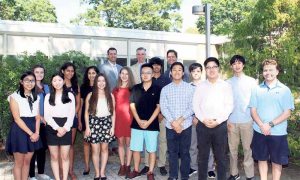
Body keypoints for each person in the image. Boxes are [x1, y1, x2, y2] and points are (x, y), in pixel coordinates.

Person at [249, 59, 294, 180]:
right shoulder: (256, 89)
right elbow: (253, 110)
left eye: (271, 70)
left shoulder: (285, 90)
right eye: (265, 70)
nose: (268, 72)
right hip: (259, 131)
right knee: (261, 159)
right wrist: (262, 126)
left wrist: (269, 125)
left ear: (277, 71)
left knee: (276, 162)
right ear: (262, 72)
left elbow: (287, 113)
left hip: (278, 133)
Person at [193, 57, 233, 180]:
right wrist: (203, 119)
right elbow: (195, 105)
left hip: (219, 126)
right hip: (203, 125)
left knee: (221, 157)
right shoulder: (200, 86)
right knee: (203, 157)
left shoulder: (226, 86)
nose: (211, 69)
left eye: (214, 67)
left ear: (218, 68)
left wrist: (218, 121)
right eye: (208, 67)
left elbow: (229, 106)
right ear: (205, 70)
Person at [160, 62, 194, 180]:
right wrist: (173, 122)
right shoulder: (165, 89)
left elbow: (192, 106)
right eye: (174, 69)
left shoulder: (190, 88)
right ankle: (173, 175)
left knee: (185, 152)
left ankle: (184, 176)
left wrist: (179, 121)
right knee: (172, 152)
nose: (177, 72)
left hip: (186, 125)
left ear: (183, 73)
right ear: (171, 72)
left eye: (180, 70)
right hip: (170, 126)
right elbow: (164, 107)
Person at [6, 71, 42, 180]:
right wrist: (32, 133)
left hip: (33, 129)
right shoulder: (14, 96)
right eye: (27, 80)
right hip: (19, 130)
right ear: (21, 82)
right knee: (19, 162)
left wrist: (37, 133)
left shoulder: (36, 97)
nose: (29, 83)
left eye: (32, 81)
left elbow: (37, 117)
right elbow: (17, 118)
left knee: (27, 162)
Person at [127, 63, 161, 180]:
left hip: (152, 125)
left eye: (148, 73)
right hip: (137, 125)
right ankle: (136, 170)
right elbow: (132, 106)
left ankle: (150, 172)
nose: (145, 75)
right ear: (140, 75)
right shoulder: (135, 88)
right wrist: (139, 120)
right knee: (136, 148)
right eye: (143, 73)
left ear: (152, 74)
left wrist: (148, 122)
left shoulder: (158, 89)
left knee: (152, 149)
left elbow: (158, 107)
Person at [227, 55, 256, 180]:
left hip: (247, 121)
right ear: (231, 66)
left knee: (247, 149)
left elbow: (256, 101)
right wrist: (227, 120)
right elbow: (225, 103)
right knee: (232, 150)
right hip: (232, 121)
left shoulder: (251, 81)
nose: (237, 65)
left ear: (243, 65)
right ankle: (234, 173)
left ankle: (250, 175)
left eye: (239, 63)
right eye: (234, 63)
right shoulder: (227, 83)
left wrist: (254, 119)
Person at [140, 57, 169, 176]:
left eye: (158, 65)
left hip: (163, 116)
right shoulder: (147, 80)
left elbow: (168, 99)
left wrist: (161, 113)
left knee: (163, 140)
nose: (156, 67)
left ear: (161, 67)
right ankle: (147, 164)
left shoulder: (167, 80)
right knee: (149, 141)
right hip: (149, 116)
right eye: (154, 65)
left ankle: (161, 164)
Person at [44, 73, 75, 180]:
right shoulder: (48, 96)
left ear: (63, 81)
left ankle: (65, 178)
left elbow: (72, 114)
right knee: (54, 156)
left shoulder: (70, 95)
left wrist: (65, 128)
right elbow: (47, 116)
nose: (57, 83)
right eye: (54, 80)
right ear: (51, 83)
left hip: (66, 127)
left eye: (59, 80)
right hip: (52, 127)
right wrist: (58, 128)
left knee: (65, 156)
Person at [84, 73, 116, 180]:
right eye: (99, 81)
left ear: (106, 82)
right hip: (94, 123)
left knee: (105, 149)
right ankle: (97, 172)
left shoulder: (110, 95)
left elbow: (113, 112)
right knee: (95, 149)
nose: (101, 83)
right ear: (96, 82)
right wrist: (87, 127)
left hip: (106, 123)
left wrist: (112, 127)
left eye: (103, 81)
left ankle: (102, 172)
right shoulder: (90, 95)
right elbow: (86, 113)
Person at [188, 63, 216, 178]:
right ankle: (193, 166)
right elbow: (188, 104)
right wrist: (193, 117)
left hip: (205, 120)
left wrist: (201, 118)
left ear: (201, 72)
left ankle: (210, 168)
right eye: (193, 71)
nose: (196, 73)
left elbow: (209, 103)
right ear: (190, 73)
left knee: (207, 145)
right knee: (192, 145)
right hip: (191, 120)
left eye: (198, 71)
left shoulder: (207, 86)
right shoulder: (187, 86)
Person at [29, 65, 52, 180]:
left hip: (45, 123)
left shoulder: (47, 87)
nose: (39, 74)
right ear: (33, 73)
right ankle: (32, 175)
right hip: (33, 122)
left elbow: (50, 104)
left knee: (42, 148)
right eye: (37, 72)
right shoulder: (29, 86)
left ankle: (41, 173)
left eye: (41, 72)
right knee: (33, 148)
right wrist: (40, 116)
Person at [112, 67, 135, 177]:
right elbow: (112, 107)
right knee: (120, 143)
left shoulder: (133, 89)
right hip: (119, 120)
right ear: (120, 75)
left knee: (129, 143)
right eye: (122, 73)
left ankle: (128, 165)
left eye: (126, 74)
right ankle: (122, 165)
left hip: (130, 119)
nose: (124, 76)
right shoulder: (115, 90)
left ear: (129, 75)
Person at [60, 62, 81, 180]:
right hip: (59, 119)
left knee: (70, 145)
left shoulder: (75, 85)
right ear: (63, 71)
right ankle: (62, 171)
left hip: (71, 119)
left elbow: (79, 103)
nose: (70, 73)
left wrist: (72, 115)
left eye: (72, 71)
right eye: (68, 70)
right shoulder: (58, 83)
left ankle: (71, 170)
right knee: (60, 146)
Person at [78, 66, 100, 176]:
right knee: (86, 143)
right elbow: (81, 104)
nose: (91, 75)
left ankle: (97, 166)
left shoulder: (100, 85)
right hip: (85, 117)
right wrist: (80, 120)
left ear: (97, 74)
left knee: (96, 144)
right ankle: (87, 166)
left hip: (99, 119)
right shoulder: (83, 87)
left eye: (94, 73)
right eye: (89, 73)